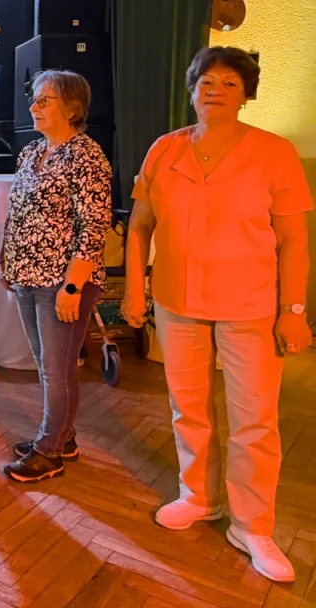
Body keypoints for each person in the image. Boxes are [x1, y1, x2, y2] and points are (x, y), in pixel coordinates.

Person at [123, 46, 312, 583]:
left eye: (230, 82)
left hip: (251, 307)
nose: (215, 88)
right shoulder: (164, 150)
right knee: (189, 409)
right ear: (192, 89)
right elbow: (139, 228)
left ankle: (253, 526)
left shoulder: (275, 153)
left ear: (246, 94)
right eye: (206, 80)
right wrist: (135, 291)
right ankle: (198, 496)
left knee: (255, 421)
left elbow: (295, 242)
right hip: (177, 304)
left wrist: (294, 310)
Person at [0, 70, 112, 482]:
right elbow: (18, 211)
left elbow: (94, 226)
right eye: (34, 99)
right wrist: (8, 260)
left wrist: (72, 285)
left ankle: (49, 451)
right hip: (28, 274)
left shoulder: (87, 155)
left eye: (43, 100)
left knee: (57, 368)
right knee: (49, 364)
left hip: (62, 281)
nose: (33, 107)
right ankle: (63, 436)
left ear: (72, 107)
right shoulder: (31, 152)